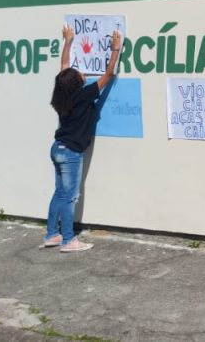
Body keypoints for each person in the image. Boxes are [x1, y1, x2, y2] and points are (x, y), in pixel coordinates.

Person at [44, 24, 121, 253]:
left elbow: (63, 68)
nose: (80, 71)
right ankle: (68, 240)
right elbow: (107, 75)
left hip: (57, 148)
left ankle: (52, 235)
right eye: (79, 73)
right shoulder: (84, 94)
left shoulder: (62, 94)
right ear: (76, 82)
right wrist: (115, 49)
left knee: (59, 193)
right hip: (70, 153)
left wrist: (68, 41)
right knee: (69, 197)